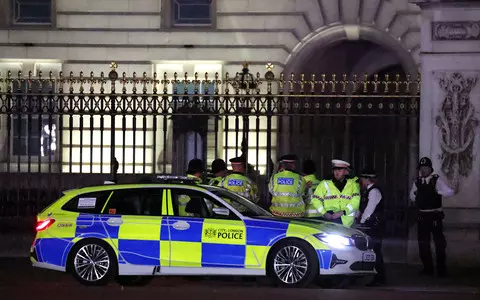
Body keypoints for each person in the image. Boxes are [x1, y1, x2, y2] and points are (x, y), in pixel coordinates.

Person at [409, 157, 454, 277]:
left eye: (425, 168)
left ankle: (441, 270)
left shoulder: (436, 180)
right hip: (422, 215)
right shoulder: (417, 182)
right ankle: (427, 268)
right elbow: (412, 196)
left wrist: (438, 192)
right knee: (423, 243)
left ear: (430, 169)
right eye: (421, 168)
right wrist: (417, 195)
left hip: (434, 215)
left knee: (439, 243)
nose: (423, 171)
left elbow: (450, 192)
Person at [358, 167, 386, 286]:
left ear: (368, 180)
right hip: (371, 226)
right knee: (373, 251)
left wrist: (362, 222)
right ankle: (376, 276)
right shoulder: (368, 191)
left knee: (376, 251)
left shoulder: (374, 192)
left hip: (374, 226)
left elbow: (369, 210)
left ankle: (380, 277)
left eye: (363, 179)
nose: (361, 181)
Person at [313, 159, 360, 227]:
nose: (337, 173)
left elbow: (356, 201)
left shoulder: (353, 185)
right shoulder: (325, 183)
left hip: (347, 221)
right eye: (335, 170)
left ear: (345, 171)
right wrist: (324, 213)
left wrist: (343, 212)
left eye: (339, 170)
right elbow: (316, 199)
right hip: (330, 218)